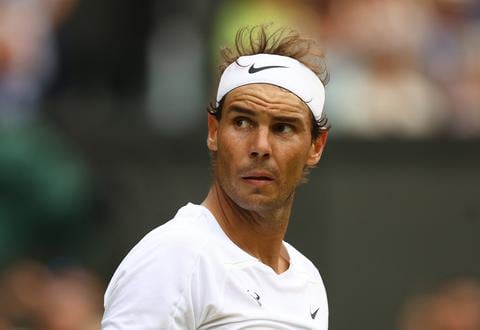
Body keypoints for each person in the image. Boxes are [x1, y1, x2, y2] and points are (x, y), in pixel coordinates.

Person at [101, 24, 330, 329]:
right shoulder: (173, 258)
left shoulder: (308, 280)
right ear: (214, 131)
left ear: (316, 146)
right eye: (243, 122)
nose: (260, 146)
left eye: (283, 128)